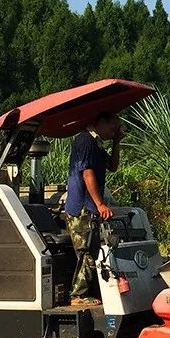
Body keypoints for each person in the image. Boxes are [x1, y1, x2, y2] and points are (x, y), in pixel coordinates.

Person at [64, 111, 124, 306]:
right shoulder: (85, 141)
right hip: (82, 208)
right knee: (87, 251)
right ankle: (77, 295)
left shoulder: (97, 144)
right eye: (112, 128)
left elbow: (112, 166)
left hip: (90, 208)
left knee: (94, 249)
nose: (112, 132)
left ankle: (88, 291)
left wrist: (116, 142)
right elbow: (87, 174)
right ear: (100, 122)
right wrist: (99, 204)